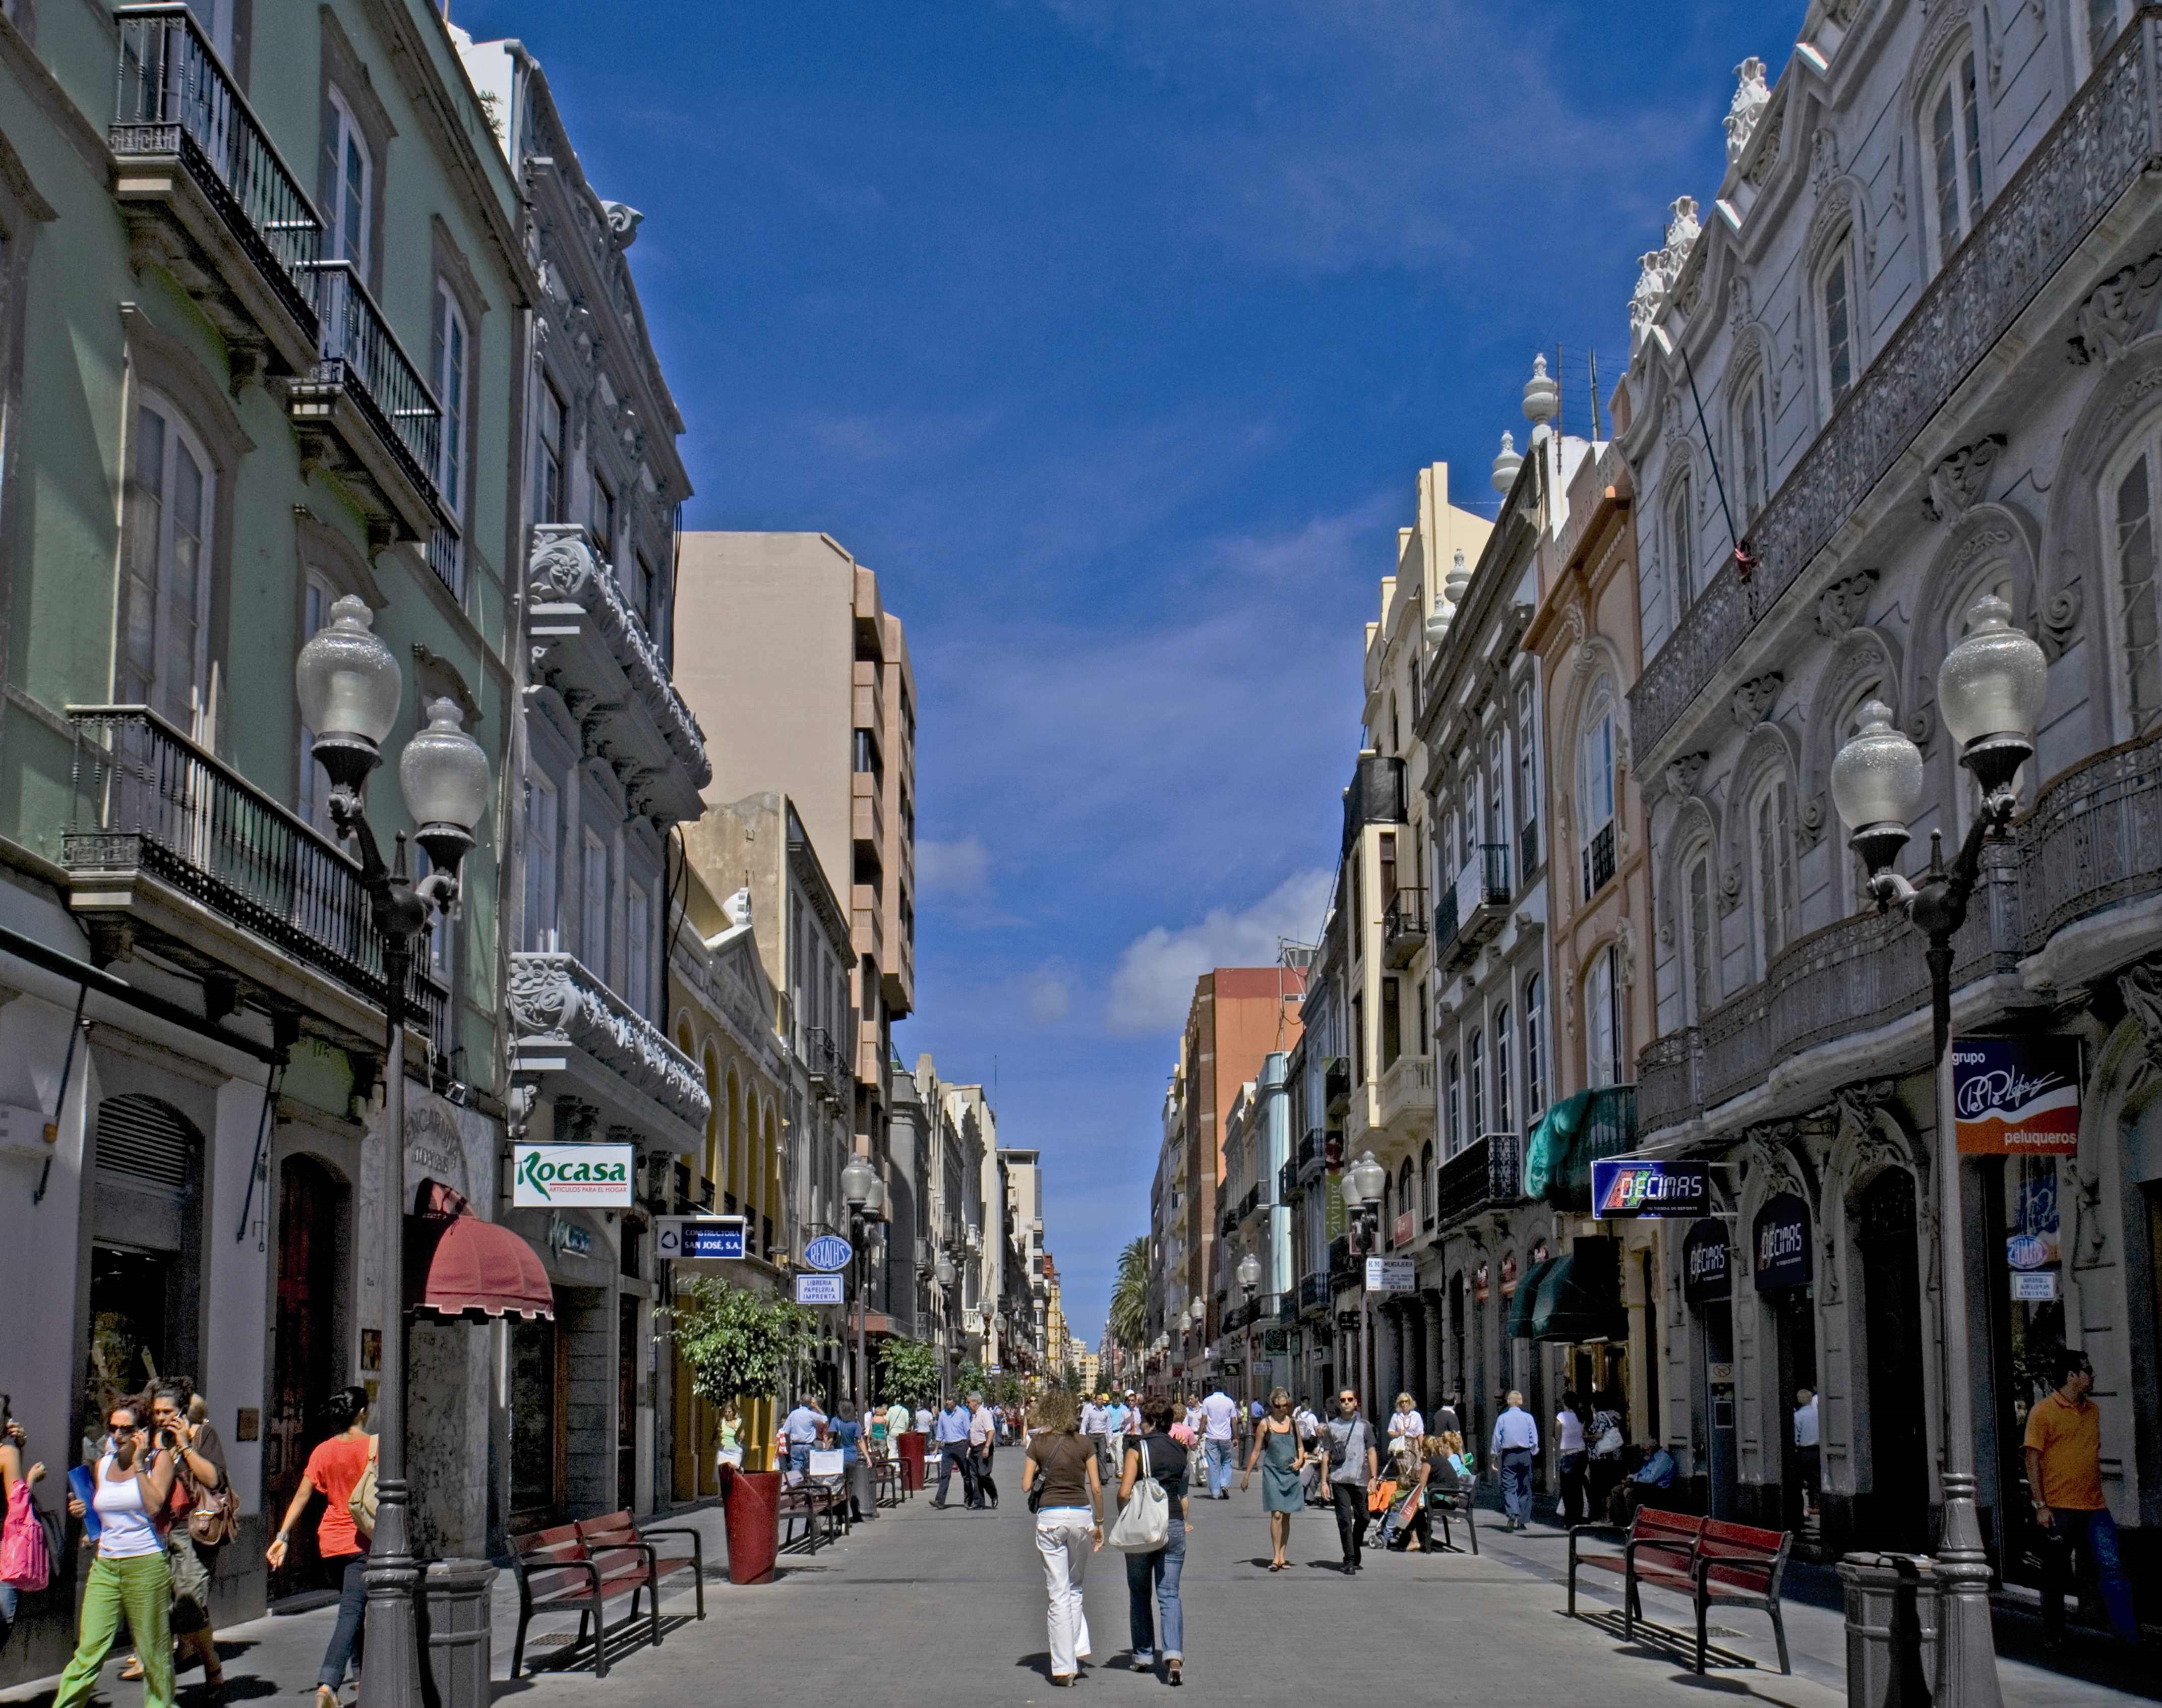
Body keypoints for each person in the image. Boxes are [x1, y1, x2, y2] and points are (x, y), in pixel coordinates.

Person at [52, 1396, 180, 1708]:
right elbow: (105, 1513)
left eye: (127, 1429)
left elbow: (153, 1506)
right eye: (114, 1428)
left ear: (143, 1430)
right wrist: (84, 1512)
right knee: (89, 1648)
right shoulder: (102, 1465)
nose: (119, 1436)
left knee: (153, 1651)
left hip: (145, 1564)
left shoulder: (158, 1460)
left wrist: (138, 1465)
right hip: (106, 1565)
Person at [266, 1387, 372, 1708]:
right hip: (362, 1539)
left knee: (353, 1609)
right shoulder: (374, 1447)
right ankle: (328, 1684)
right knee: (351, 1612)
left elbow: (301, 1496)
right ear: (362, 1413)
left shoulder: (323, 1451)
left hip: (331, 1541)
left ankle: (364, 1678)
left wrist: (282, 1536)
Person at [2025, 1347, 2138, 1646]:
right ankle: (2054, 1633)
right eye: (2087, 1371)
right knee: (2055, 1573)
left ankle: (2128, 1636)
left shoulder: (2093, 1411)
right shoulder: (2043, 1412)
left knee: (2112, 1567)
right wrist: (2041, 1505)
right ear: (2072, 1376)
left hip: (2094, 1506)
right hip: (2060, 1508)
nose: (2093, 1376)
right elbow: (2032, 1460)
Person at [141, 1382, 227, 1701]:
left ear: (181, 1410)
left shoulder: (203, 1435)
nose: (162, 1417)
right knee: (159, 1607)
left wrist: (184, 1447)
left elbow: (213, 1479)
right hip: (155, 1529)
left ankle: (212, 1666)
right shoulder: (147, 1440)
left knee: (190, 1602)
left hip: (194, 1528)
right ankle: (165, 1683)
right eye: (157, 1412)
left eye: (168, 1411)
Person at [1023, 1389, 1103, 1687]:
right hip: (1082, 1517)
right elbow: (1096, 1487)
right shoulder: (1084, 1442)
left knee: (1057, 1593)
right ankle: (1077, 1652)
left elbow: (1026, 1484)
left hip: (1050, 1519)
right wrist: (1101, 1523)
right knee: (1075, 1588)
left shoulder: (1038, 1443)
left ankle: (1063, 1668)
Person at [1120, 1397, 1190, 1686]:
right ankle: (1174, 1656)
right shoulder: (1181, 1450)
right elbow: (1183, 1493)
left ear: (1147, 1421)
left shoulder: (1138, 1449)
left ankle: (1143, 1656)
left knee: (1139, 1593)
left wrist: (1122, 1515)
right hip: (1174, 1524)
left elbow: (1125, 1491)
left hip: (1144, 1528)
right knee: (1169, 1594)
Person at [1, 1397, 48, 1655]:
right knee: (4, 1619)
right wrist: (31, 1478)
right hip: (5, 1550)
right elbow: (18, 1509)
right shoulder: (6, 1454)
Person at [1238, 1389, 1304, 1570]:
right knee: (1277, 1513)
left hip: (1291, 1472)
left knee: (1287, 1515)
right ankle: (1275, 1556)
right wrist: (1247, 1475)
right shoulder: (1265, 1424)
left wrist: (1300, 1459)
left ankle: (1283, 1556)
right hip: (1273, 1472)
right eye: (1278, 1406)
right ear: (1272, 1406)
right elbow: (1257, 1451)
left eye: (1285, 1406)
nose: (1282, 1409)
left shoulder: (1293, 1423)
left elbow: (1300, 1446)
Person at [1317, 1388, 1377, 1573]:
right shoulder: (1331, 1427)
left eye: (1350, 1399)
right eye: (1343, 1400)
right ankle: (1349, 1560)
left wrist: (1374, 1477)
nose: (1346, 1403)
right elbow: (1326, 1455)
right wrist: (1324, 1482)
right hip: (1339, 1479)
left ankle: (1355, 1545)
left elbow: (1372, 1452)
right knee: (1344, 1520)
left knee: (1364, 1518)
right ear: (1339, 1404)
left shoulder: (1364, 1426)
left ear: (1356, 1403)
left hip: (1360, 1478)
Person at [1491, 1390, 1538, 1531]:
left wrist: (1495, 1454)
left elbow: (1497, 1438)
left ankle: (1512, 1512)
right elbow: (1534, 1437)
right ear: (1520, 1402)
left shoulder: (1503, 1418)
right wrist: (1534, 1450)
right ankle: (1523, 1519)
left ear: (1509, 1402)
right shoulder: (1528, 1418)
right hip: (1525, 1453)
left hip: (1509, 1454)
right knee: (1524, 1485)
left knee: (1509, 1484)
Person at [1609, 1442, 1677, 1525]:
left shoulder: (1663, 1459)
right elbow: (1642, 1473)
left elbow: (1651, 1479)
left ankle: (1634, 1524)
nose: (1645, 1451)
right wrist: (1631, 1477)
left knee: (1629, 1492)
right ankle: (1622, 1523)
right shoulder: (1652, 1458)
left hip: (1659, 1489)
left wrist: (1634, 1480)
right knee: (1617, 1490)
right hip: (1646, 1485)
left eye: (1646, 1449)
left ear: (1653, 1447)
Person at [1585, 1388, 1626, 1524]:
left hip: (1602, 1457)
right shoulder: (1614, 1416)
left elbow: (1599, 1435)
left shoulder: (1601, 1416)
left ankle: (1606, 1517)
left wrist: (1586, 1437)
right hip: (1613, 1457)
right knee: (1610, 1486)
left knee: (1603, 1488)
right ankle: (1611, 1516)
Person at [932, 1396, 976, 1509]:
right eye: (947, 1400)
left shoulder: (962, 1414)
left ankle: (969, 1500)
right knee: (945, 1475)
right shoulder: (943, 1414)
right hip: (947, 1447)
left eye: (950, 1400)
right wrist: (936, 1448)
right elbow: (940, 1433)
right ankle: (940, 1501)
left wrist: (968, 1447)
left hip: (960, 1445)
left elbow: (968, 1431)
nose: (947, 1402)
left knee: (966, 1474)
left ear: (955, 1402)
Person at [1555, 1389, 1590, 1528]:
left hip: (1569, 1455)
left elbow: (1557, 1435)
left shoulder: (1562, 1416)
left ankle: (1570, 1519)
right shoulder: (1581, 1416)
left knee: (1567, 1489)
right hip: (1582, 1454)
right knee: (1577, 1488)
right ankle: (1578, 1516)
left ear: (1565, 1403)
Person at [1197, 1386, 1237, 1500]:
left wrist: (1200, 1435)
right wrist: (1235, 1437)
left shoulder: (1207, 1401)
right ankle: (1225, 1484)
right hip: (1225, 1437)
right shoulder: (1230, 1401)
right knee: (1227, 1461)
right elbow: (1234, 1421)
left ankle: (1215, 1492)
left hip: (1211, 1437)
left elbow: (1204, 1420)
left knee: (1213, 1464)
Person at [780, 1395, 826, 1479]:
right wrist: (817, 1407)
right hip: (809, 1446)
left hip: (796, 1446)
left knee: (796, 1468)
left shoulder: (793, 1414)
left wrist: (788, 1445)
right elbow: (825, 1419)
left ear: (801, 1402)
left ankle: (795, 1488)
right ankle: (807, 1487)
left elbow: (786, 1432)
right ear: (810, 1404)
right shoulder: (811, 1415)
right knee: (809, 1469)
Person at [1792, 1387, 1821, 1521]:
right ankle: (1817, 1503)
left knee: (1803, 1479)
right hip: (1817, 1449)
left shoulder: (1798, 1416)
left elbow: (1796, 1435)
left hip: (1804, 1451)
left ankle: (1807, 1506)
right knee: (1816, 1478)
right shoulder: (1818, 1414)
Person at [969, 1392, 998, 1509]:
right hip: (974, 1448)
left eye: (969, 1402)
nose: (968, 1405)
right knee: (975, 1475)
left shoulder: (985, 1414)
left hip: (984, 1447)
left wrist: (987, 1447)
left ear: (976, 1402)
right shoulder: (974, 1415)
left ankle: (993, 1494)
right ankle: (979, 1502)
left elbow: (991, 1431)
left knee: (983, 1474)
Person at [1385, 1392, 1424, 1473]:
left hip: (1413, 1445)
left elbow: (1420, 1433)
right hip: (1401, 1447)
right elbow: (1390, 1432)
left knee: (1414, 1470)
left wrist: (1422, 1450)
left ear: (1410, 1403)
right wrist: (1398, 1433)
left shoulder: (1416, 1416)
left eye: (1406, 1401)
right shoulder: (1396, 1416)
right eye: (1402, 1402)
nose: (1404, 1404)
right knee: (1401, 1471)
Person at [716, 1399, 745, 1478]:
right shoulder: (722, 1421)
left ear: (734, 1412)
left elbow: (742, 1436)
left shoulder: (739, 1421)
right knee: (722, 1474)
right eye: (726, 1412)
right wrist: (719, 1433)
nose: (727, 1414)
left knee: (734, 1474)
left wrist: (734, 1428)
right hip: (723, 1452)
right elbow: (717, 1433)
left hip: (735, 1452)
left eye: (730, 1412)